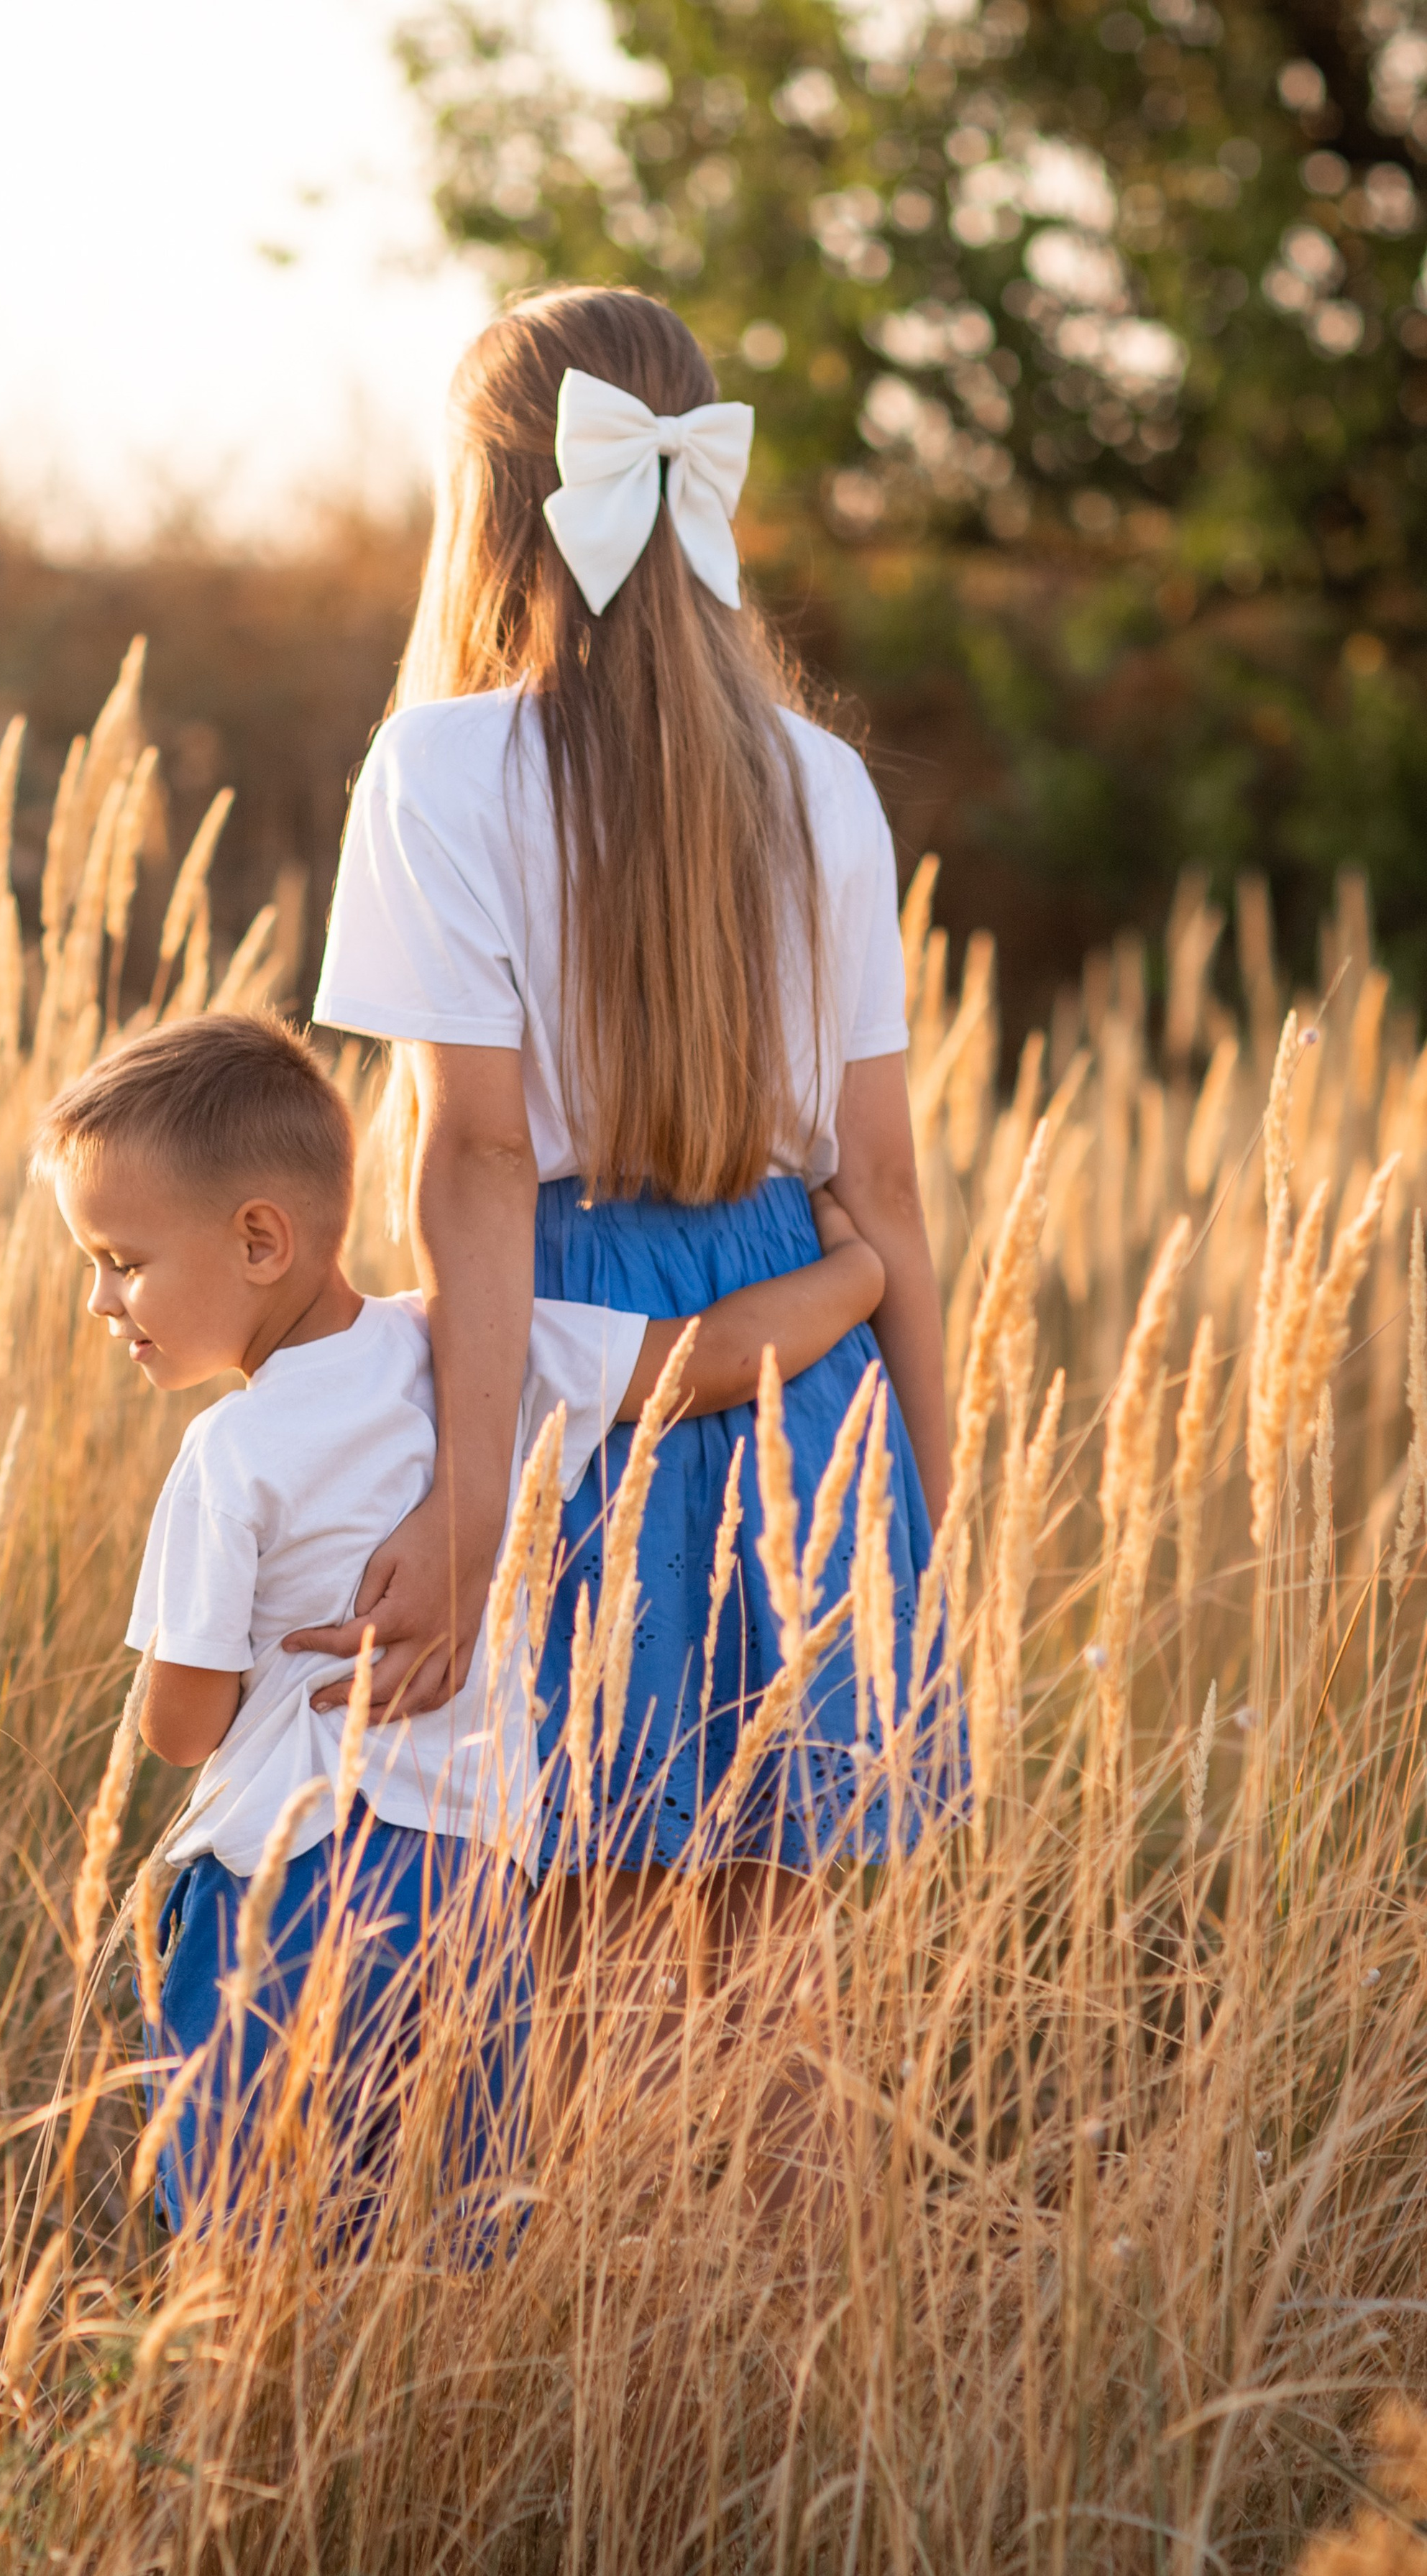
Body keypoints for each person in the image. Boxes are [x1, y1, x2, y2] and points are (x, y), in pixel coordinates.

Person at [298, 285, 958, 1988]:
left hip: (570, 1351)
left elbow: (481, 1159)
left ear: (487, 502)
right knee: (769, 1954)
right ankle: (792, 2276)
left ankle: (610, 2272)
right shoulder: (825, 779)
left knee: (571, 1932)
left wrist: (458, 1503)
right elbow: (877, 1185)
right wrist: (936, 1508)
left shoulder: (439, 769)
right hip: (806, 1352)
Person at [34, 1009, 887, 2226]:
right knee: (453, 2236)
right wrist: (856, 1276)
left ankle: (253, 2419)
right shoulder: (475, 1348)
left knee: (250, 2244)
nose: (100, 1301)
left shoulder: (229, 1454)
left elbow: (179, 1729)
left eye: (120, 1259)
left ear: (261, 1240)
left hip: (280, 1892)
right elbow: (713, 1356)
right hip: (475, 1893)